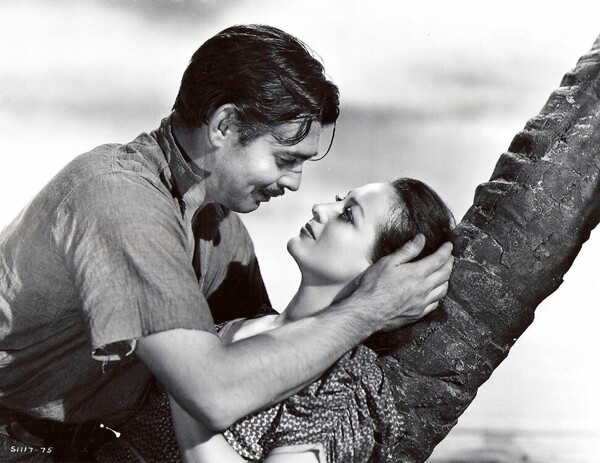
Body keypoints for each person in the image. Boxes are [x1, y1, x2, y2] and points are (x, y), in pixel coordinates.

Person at [0, 24, 453, 461]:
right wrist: (371, 308)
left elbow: (271, 357)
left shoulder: (219, 230)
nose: (295, 183)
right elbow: (213, 393)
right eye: (284, 159)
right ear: (224, 124)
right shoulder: (122, 202)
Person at [94, 178, 455, 463]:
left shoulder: (345, 382)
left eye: (347, 215)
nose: (321, 208)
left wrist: (183, 379)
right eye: (339, 200)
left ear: (383, 269)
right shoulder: (237, 323)